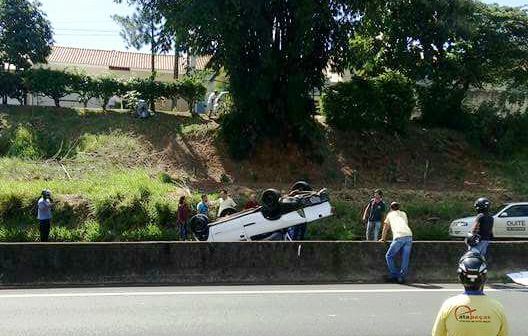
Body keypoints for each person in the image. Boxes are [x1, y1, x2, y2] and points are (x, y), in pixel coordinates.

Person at [431, 251, 509, 336]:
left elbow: (437, 334)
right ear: (484, 278)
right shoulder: (497, 307)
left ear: (460, 277)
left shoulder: (448, 305)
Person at [379, 201, 413, 283]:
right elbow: (406, 224)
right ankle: (401, 277)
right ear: (399, 207)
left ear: (391, 208)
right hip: (409, 235)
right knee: (405, 258)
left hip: (399, 236)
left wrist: (383, 238)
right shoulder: (404, 214)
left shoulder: (390, 214)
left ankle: (394, 274)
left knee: (389, 256)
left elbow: (385, 227)